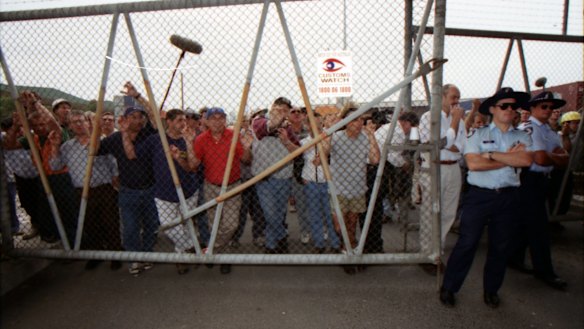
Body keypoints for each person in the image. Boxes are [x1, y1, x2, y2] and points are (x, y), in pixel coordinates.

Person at [439, 87, 533, 308]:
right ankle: (449, 287)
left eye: (513, 106)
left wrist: (490, 155)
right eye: (504, 106)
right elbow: (474, 164)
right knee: (467, 243)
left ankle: (491, 290)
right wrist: (510, 157)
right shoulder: (478, 134)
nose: (510, 109)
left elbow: (526, 161)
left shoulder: (522, 136)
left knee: (500, 247)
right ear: (492, 109)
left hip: (508, 197)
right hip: (479, 197)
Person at [508, 91, 570, 291]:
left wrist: (551, 156)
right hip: (529, 179)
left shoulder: (550, 131)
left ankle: (514, 257)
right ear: (532, 108)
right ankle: (544, 271)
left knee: (525, 223)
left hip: (543, 180)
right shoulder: (529, 129)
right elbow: (541, 159)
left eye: (551, 107)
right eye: (544, 106)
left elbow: (563, 157)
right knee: (539, 228)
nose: (549, 110)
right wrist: (554, 156)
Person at [97, 82, 159, 276]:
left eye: (140, 117)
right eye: (134, 116)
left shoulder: (148, 134)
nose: (139, 120)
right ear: (124, 119)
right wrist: (95, 128)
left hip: (150, 189)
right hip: (128, 190)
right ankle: (134, 258)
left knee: (151, 225)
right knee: (130, 227)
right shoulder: (114, 139)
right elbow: (95, 151)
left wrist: (138, 96)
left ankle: (147, 255)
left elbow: (155, 115)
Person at [48, 110, 122, 270]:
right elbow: (55, 166)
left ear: (88, 123)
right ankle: (96, 254)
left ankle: (116, 254)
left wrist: (116, 179)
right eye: (74, 122)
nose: (79, 125)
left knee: (110, 222)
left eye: (82, 121)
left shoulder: (100, 142)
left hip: (103, 188)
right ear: (70, 126)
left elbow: (113, 163)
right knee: (90, 224)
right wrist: (54, 146)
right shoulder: (67, 147)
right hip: (81, 191)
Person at [3, 91, 78, 245]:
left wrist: (35, 104)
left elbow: (51, 122)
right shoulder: (33, 138)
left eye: (42, 124)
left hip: (62, 178)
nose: (40, 128)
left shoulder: (58, 133)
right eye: (35, 126)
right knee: (46, 216)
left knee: (68, 214)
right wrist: (16, 125)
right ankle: (59, 241)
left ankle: (74, 245)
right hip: (43, 178)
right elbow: (9, 145)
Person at [132, 109, 199, 275]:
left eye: (185, 120)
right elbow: (136, 155)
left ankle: (180, 258)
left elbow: (192, 168)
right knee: (168, 225)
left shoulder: (190, 139)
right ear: (168, 122)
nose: (183, 123)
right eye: (178, 120)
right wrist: (127, 133)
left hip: (188, 190)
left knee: (185, 224)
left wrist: (185, 148)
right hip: (163, 192)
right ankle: (190, 246)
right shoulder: (156, 140)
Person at [193, 107, 253, 274]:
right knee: (215, 225)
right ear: (206, 121)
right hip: (211, 186)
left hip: (233, 186)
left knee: (231, 225)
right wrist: (187, 146)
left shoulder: (233, 136)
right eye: (213, 118)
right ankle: (222, 256)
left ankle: (212, 249)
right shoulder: (201, 139)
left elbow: (246, 160)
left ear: (225, 120)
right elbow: (193, 165)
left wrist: (247, 147)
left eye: (221, 118)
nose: (217, 121)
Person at [325, 103, 380, 274]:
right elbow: (323, 152)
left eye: (361, 120)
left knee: (351, 224)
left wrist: (371, 136)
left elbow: (375, 160)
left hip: (357, 189)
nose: (359, 124)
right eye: (355, 120)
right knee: (340, 226)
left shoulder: (365, 137)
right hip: (339, 189)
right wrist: (328, 131)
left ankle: (349, 253)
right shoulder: (336, 136)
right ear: (347, 122)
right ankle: (349, 251)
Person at [418, 84, 466, 275]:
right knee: (430, 212)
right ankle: (425, 255)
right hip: (434, 168)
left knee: (448, 213)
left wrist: (450, 140)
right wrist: (453, 125)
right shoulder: (429, 117)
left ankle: (437, 252)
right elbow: (438, 145)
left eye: (458, 98)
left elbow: (461, 145)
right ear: (443, 97)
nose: (456, 102)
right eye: (454, 97)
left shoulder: (460, 120)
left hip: (453, 168)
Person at [251, 97, 300, 254]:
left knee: (279, 213)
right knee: (270, 213)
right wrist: (275, 122)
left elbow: (298, 152)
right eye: (279, 109)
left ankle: (272, 244)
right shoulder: (259, 121)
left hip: (284, 177)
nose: (282, 113)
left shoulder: (288, 128)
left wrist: (286, 140)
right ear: (272, 108)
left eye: (285, 111)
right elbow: (266, 127)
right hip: (264, 178)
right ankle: (281, 236)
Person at [300, 112, 340, 253]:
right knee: (314, 214)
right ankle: (319, 243)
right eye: (311, 123)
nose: (315, 126)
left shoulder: (331, 138)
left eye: (318, 123)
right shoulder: (304, 142)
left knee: (331, 214)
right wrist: (302, 176)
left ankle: (335, 244)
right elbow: (299, 161)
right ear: (307, 125)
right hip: (310, 182)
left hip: (329, 181)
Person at [375, 111, 419, 228]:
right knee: (384, 191)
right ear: (404, 122)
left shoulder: (390, 127)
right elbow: (392, 155)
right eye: (411, 126)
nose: (411, 130)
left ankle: (386, 213)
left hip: (380, 161)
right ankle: (385, 214)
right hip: (380, 162)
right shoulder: (398, 131)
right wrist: (404, 163)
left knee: (383, 192)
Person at [232, 113, 266, 248]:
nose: (244, 123)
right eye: (241, 121)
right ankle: (235, 238)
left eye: (246, 121)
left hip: (256, 177)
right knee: (241, 211)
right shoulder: (234, 136)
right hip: (242, 178)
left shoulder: (257, 135)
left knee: (258, 209)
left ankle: (258, 235)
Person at [288, 106, 310, 245]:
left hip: (310, 171)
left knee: (316, 204)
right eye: (293, 112)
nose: (297, 114)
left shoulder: (309, 130)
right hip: (292, 173)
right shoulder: (284, 131)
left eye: (299, 112)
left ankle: (321, 229)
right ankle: (305, 231)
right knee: (301, 205)